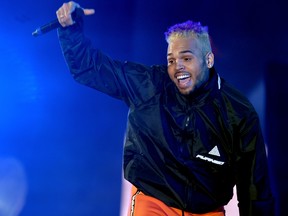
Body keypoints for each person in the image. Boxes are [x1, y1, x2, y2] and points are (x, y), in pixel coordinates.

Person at [55, 1, 274, 215]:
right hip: (153, 202)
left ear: (208, 60)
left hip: (207, 210)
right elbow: (90, 68)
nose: (177, 67)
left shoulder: (238, 112)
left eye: (186, 58)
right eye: (171, 60)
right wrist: (70, 29)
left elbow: (254, 187)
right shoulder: (148, 85)